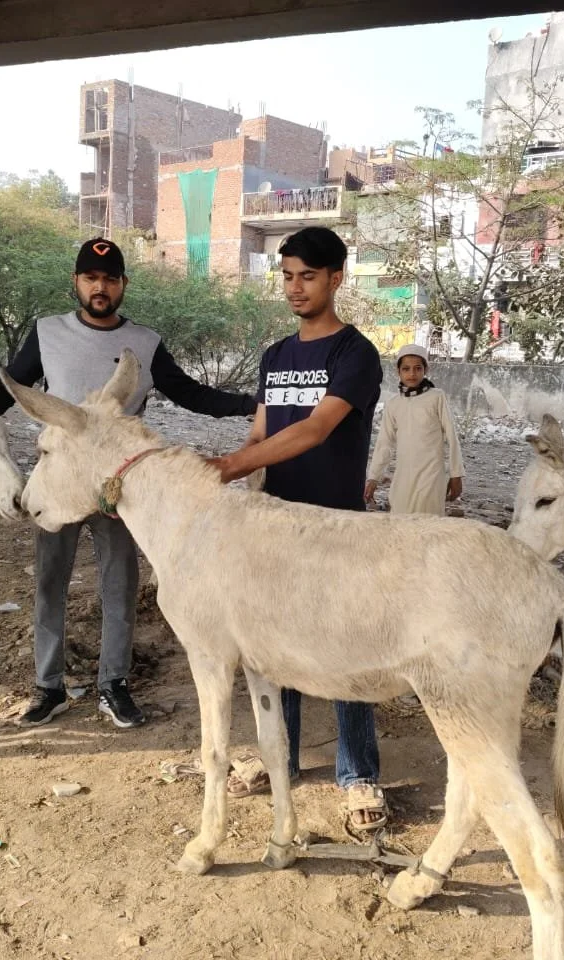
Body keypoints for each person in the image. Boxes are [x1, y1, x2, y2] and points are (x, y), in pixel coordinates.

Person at [0, 238, 256, 728]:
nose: (100, 287)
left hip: (116, 488)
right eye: (91, 278)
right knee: (50, 582)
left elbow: (189, 393)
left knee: (119, 583)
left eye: (110, 279)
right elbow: (1, 397)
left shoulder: (145, 344)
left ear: (123, 284)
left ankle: (114, 684)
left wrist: (252, 405)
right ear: (77, 282)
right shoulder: (47, 333)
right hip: (60, 480)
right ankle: (48, 687)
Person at [207, 226, 388, 832]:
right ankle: (275, 753)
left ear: (337, 278)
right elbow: (262, 434)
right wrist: (226, 471)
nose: (294, 288)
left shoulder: (355, 355)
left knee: (347, 648)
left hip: (336, 529)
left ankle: (358, 773)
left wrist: (231, 465)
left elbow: (314, 430)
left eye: (307, 276)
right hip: (275, 528)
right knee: (274, 646)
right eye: (287, 276)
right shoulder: (276, 356)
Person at [365, 343, 464, 515]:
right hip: (403, 476)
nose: (412, 374)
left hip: (431, 476)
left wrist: (456, 474)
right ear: (399, 372)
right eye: (406, 369)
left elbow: (452, 437)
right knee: (401, 522)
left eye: (418, 368)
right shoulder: (394, 404)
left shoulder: (436, 397)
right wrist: (374, 477)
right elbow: (385, 442)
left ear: (425, 370)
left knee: (428, 525)